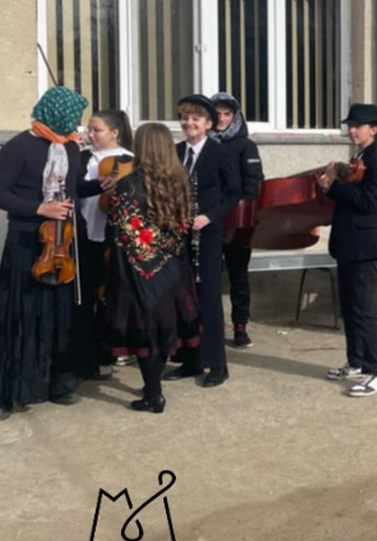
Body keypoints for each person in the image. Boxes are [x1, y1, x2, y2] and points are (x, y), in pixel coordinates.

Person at [0, 85, 90, 417]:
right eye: (72, 118)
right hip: (27, 241)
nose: (75, 125)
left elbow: (75, 188)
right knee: (21, 315)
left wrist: (102, 185)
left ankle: (57, 383)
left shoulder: (70, 147)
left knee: (59, 315)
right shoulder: (19, 147)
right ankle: (14, 389)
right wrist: (40, 208)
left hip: (62, 244)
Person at [103, 123, 201, 414]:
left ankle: (153, 394)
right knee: (166, 327)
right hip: (173, 267)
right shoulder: (182, 181)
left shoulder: (127, 184)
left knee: (144, 331)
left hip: (139, 270)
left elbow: (119, 232)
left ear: (141, 147)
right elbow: (185, 225)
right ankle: (153, 389)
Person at [320, 103, 377, 395]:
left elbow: (369, 202)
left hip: (365, 246)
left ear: (373, 129)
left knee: (365, 310)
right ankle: (356, 362)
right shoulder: (360, 157)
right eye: (350, 126)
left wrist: (333, 187)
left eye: (358, 126)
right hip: (350, 245)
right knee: (350, 307)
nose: (352, 131)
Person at [165, 95, 238, 389]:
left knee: (208, 299)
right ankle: (189, 360)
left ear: (208, 124)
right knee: (183, 297)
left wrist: (209, 216)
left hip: (207, 234)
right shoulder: (176, 151)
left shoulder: (220, 153)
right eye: (185, 118)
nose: (189, 123)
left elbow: (234, 193)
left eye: (195, 118)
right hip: (180, 234)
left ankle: (217, 364)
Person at [75, 110, 134, 378]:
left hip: (115, 237)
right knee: (85, 297)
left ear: (115, 133)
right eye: (89, 129)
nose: (90, 134)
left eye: (96, 130)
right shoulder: (83, 158)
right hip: (84, 235)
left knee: (111, 296)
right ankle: (85, 354)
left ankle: (111, 351)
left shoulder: (129, 160)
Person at [210, 92, 264, 348]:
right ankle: (210, 326)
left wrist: (241, 210)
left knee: (238, 275)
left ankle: (240, 326)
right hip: (209, 219)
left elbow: (254, 183)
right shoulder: (204, 144)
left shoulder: (246, 145)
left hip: (238, 222)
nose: (222, 119)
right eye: (217, 114)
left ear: (235, 116)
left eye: (227, 114)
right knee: (208, 276)